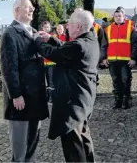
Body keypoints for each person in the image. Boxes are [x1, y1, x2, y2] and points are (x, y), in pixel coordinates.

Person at [34, 10, 99, 162]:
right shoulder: (91, 40)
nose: (67, 26)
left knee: (73, 145)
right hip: (84, 99)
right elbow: (67, 48)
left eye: (69, 24)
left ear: (77, 26)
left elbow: (53, 54)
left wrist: (38, 40)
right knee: (83, 137)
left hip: (72, 103)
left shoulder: (78, 45)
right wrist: (51, 38)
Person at [0, 0, 49, 162]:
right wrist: (15, 94)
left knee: (33, 142)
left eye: (32, 8)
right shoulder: (10, 33)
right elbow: (8, 67)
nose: (31, 10)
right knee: (20, 149)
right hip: (21, 99)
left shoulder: (33, 31)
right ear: (16, 11)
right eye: (27, 8)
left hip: (35, 97)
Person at [101, 9, 137, 109]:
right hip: (112, 60)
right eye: (116, 16)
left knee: (126, 80)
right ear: (113, 16)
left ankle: (126, 100)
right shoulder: (107, 29)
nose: (118, 18)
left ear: (124, 16)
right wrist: (104, 58)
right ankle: (118, 100)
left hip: (126, 60)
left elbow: (135, 44)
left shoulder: (130, 28)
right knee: (116, 81)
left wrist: (133, 58)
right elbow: (104, 45)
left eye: (120, 16)